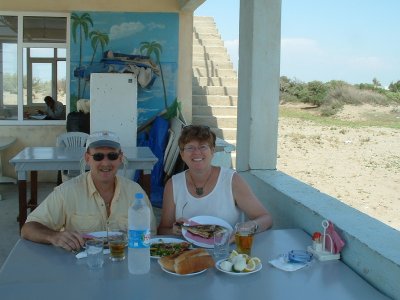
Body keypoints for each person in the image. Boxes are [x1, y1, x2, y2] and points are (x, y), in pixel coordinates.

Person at [21, 131, 157, 252]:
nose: (105, 163)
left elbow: (151, 235)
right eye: (98, 156)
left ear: (120, 158)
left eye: (112, 156)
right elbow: (28, 228)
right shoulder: (67, 192)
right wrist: (54, 236)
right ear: (87, 159)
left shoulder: (135, 193)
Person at [158, 125, 273, 235]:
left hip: (227, 250)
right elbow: (163, 230)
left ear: (212, 151)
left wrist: (250, 227)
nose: (197, 152)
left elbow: (265, 218)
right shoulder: (174, 184)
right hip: (187, 253)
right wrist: (175, 230)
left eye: (203, 146)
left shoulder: (231, 180)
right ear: (182, 154)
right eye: (190, 148)